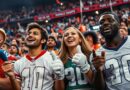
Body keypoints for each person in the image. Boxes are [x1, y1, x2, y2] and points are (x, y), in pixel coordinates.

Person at [2, 22, 64, 90]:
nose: (30, 35)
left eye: (35, 33)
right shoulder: (18, 63)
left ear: (43, 40)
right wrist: (12, 77)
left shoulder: (52, 59)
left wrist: (59, 77)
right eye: (28, 33)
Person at [92, 12, 130, 90]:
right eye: (102, 22)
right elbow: (99, 88)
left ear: (119, 24)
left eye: (110, 20)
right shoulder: (97, 54)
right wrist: (98, 71)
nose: (105, 23)